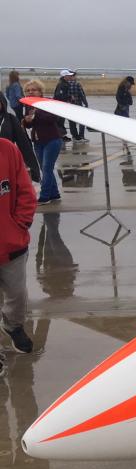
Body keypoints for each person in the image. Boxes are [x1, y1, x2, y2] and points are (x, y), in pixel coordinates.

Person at [0, 138, 37, 356]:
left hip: (11, 243)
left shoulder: (8, 149)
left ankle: (13, 326)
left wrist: (20, 224)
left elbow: (26, 191)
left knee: (17, 293)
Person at [21, 80, 63, 205]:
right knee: (45, 169)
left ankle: (44, 196)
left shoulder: (47, 103)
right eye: (28, 90)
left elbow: (53, 118)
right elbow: (30, 125)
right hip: (38, 141)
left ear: (40, 91)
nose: (30, 92)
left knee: (46, 168)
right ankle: (54, 194)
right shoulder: (29, 105)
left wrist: (36, 115)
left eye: (33, 90)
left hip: (52, 139)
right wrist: (27, 120)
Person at [0, 95, 40, 183]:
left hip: (7, 161)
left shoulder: (10, 119)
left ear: (2, 103)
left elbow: (23, 143)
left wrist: (32, 166)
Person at [64, 71, 88, 143]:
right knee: (82, 121)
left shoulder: (66, 84)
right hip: (78, 105)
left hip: (69, 106)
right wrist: (86, 103)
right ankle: (81, 136)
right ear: (73, 76)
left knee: (72, 123)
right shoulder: (77, 84)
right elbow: (82, 94)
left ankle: (74, 136)